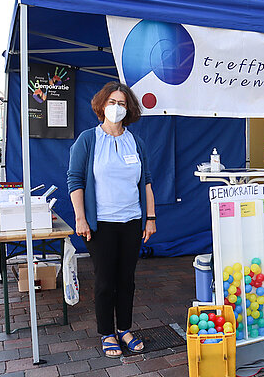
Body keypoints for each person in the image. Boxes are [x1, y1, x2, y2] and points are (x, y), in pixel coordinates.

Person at [67, 81, 157, 358]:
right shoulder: (88, 140)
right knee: (105, 280)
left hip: (131, 221)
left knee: (127, 279)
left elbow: (146, 182)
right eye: (112, 102)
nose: (116, 108)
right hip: (101, 223)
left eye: (122, 103)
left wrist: (150, 218)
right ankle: (107, 332)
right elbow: (75, 180)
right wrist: (80, 218)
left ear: (128, 108)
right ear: (101, 105)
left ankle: (125, 329)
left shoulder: (136, 142)